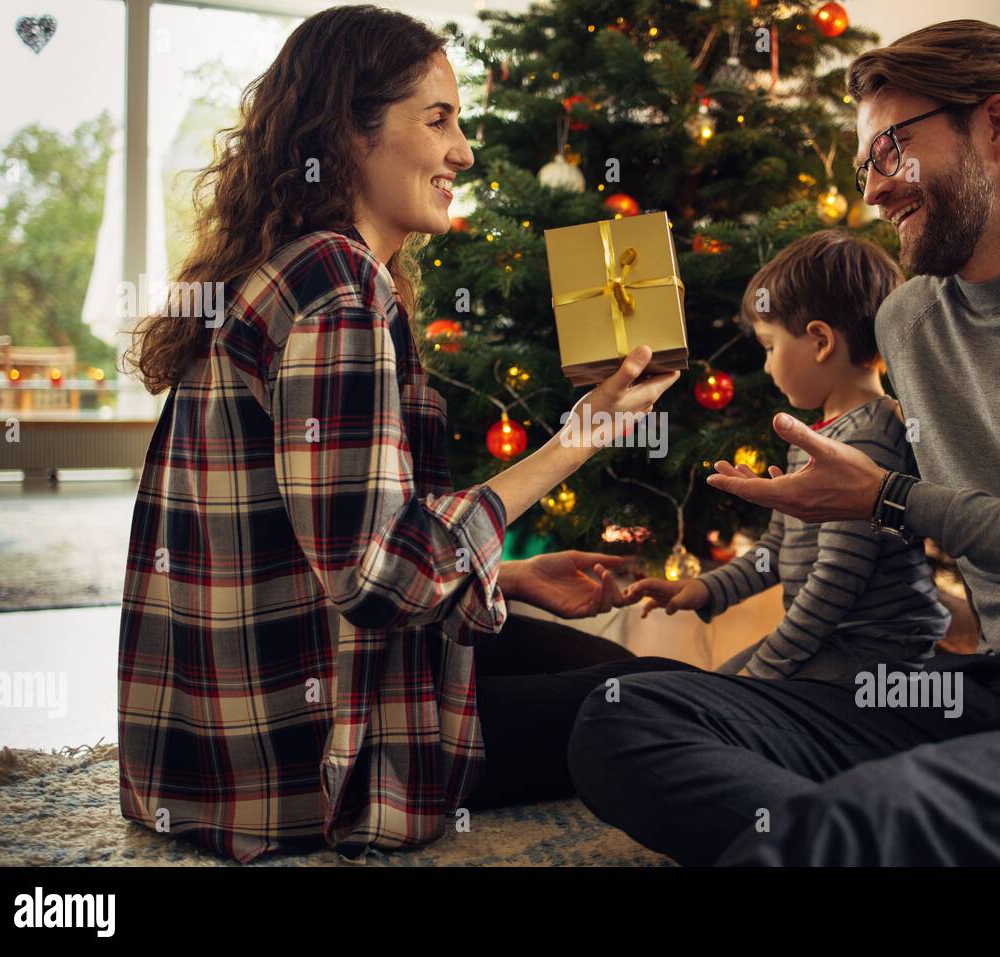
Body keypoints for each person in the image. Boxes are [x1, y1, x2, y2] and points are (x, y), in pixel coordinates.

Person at [566, 19, 1000, 866]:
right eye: (864, 166)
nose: (874, 191)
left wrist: (889, 498)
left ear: (997, 127)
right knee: (628, 714)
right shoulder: (912, 318)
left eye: (891, 150)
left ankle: (862, 838)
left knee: (879, 821)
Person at [117, 5, 677, 863]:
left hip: (216, 741)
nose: (464, 153)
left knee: (636, 682)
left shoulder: (298, 268)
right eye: (439, 119)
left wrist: (514, 575)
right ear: (348, 131)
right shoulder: (338, 291)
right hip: (309, 757)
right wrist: (582, 434)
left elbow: (337, 533)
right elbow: (376, 577)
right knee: (666, 700)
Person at [626, 231, 950, 684]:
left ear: (820, 341)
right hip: (832, 638)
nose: (766, 366)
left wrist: (767, 671)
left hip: (875, 650)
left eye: (770, 347)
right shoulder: (809, 439)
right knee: (710, 687)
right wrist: (701, 589)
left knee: (722, 697)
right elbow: (777, 550)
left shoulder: (867, 439)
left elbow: (834, 583)